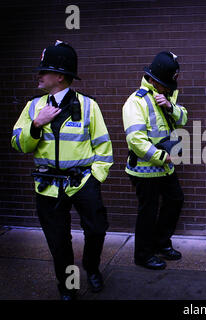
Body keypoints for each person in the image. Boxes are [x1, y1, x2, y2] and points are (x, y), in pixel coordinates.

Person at [11, 41, 113, 300]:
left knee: (97, 229)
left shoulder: (89, 106)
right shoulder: (33, 107)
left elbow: (103, 144)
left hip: (82, 182)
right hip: (47, 185)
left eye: (44, 70)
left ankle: (91, 268)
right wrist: (36, 124)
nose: (39, 75)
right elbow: (17, 143)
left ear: (60, 76)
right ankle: (67, 285)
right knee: (58, 240)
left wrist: (96, 178)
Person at [122, 51, 187, 270]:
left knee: (175, 200)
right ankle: (143, 254)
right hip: (145, 170)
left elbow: (183, 118)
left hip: (165, 167)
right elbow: (136, 140)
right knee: (148, 212)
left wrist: (171, 108)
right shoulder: (136, 102)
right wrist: (163, 156)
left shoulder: (167, 97)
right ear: (153, 79)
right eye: (165, 84)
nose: (169, 88)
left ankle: (161, 243)